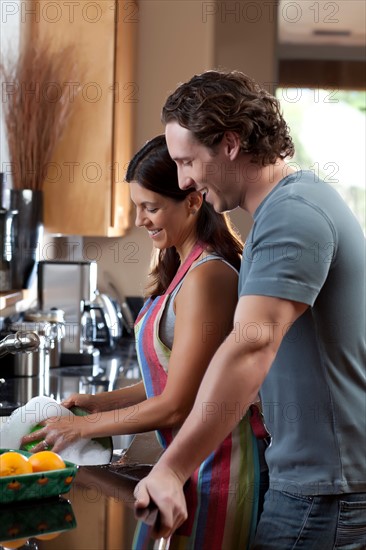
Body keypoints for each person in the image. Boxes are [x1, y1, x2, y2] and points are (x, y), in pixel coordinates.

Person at [132, 71, 366, 549]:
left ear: (230, 144)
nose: (183, 180)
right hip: (318, 482)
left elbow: (251, 344)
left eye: (187, 161)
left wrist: (173, 468)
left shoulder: (291, 215)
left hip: (322, 493)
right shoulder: (287, 207)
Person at [22, 134, 267, 549]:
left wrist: (81, 427)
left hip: (223, 468)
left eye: (151, 207)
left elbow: (178, 403)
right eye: (137, 206)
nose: (140, 220)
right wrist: (103, 402)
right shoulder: (182, 267)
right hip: (190, 467)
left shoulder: (209, 277)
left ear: (192, 202)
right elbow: (175, 374)